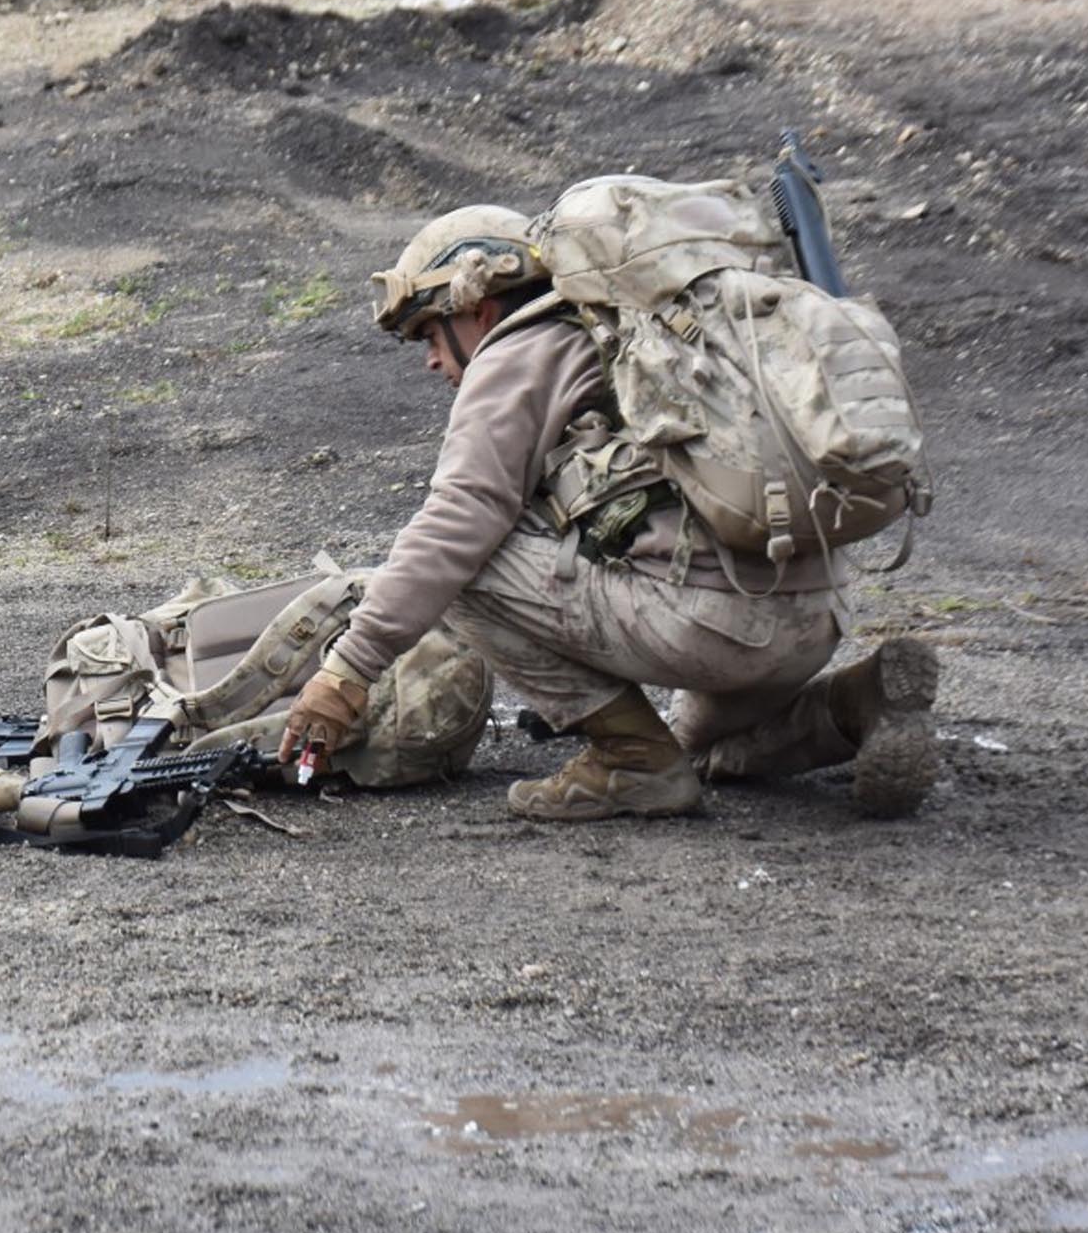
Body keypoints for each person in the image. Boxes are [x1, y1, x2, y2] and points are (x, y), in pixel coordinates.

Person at [275, 205, 939, 824]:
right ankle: (858, 702)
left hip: (712, 629)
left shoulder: (519, 352)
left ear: (474, 303)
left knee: (468, 568)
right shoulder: (644, 325)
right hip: (810, 619)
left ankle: (630, 759)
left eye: (429, 332)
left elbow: (458, 518)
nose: (430, 359)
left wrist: (346, 672)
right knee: (700, 746)